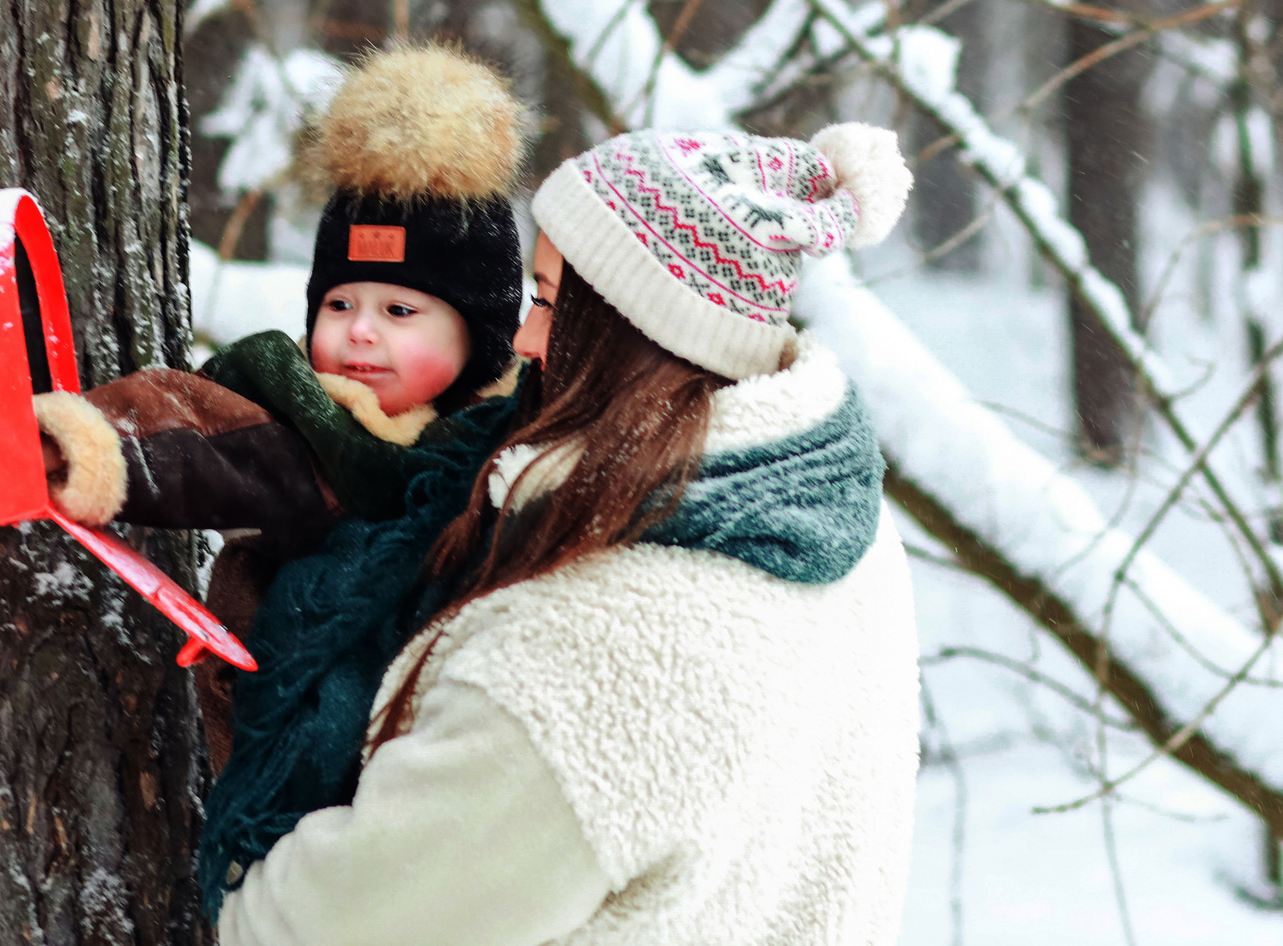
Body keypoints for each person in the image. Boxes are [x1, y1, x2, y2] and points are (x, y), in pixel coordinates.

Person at [207, 122, 923, 946]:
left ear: (629, 329)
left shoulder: (596, 649)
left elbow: (327, 925)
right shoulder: (843, 529)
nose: (523, 340)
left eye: (547, 300)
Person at [32, 40, 530, 762]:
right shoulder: (299, 420)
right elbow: (196, 427)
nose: (359, 330)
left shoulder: (510, 445)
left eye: (400, 312)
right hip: (289, 734)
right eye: (339, 302)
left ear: (477, 338)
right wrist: (82, 441)